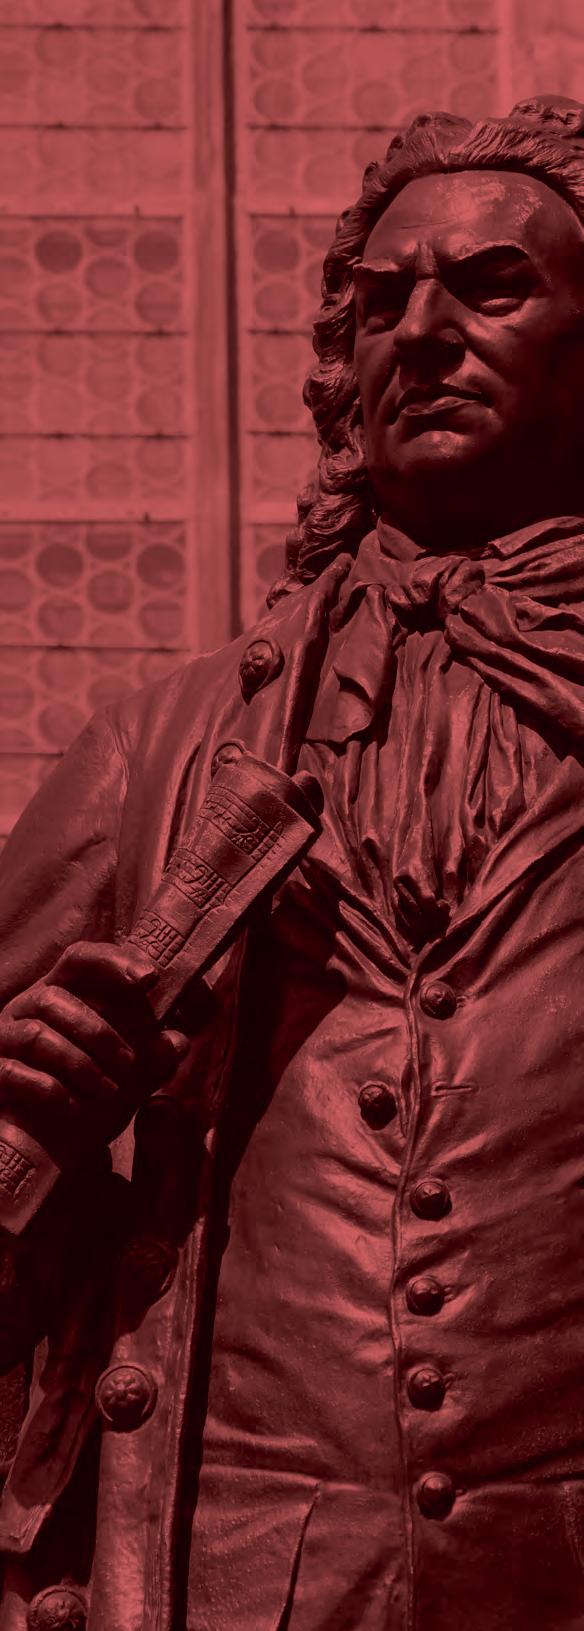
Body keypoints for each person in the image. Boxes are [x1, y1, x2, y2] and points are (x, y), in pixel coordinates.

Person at [1, 93, 584, 1631]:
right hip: (258, 1573)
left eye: (492, 288)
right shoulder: (160, 750)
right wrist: (32, 1114)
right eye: (384, 302)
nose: (423, 333)